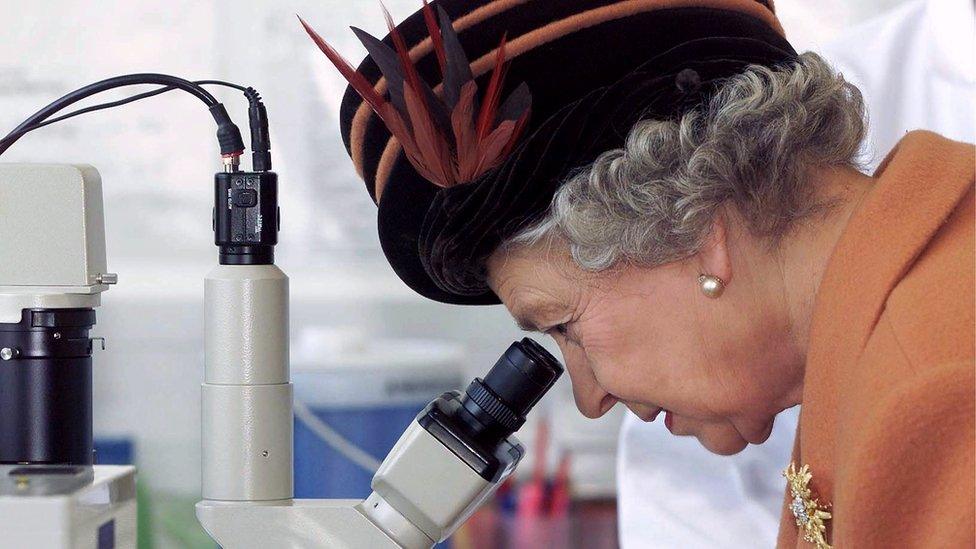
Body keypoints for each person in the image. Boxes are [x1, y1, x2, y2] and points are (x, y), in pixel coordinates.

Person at [305, 0, 975, 546]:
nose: (592, 398)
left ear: (700, 222)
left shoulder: (935, 394)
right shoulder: (880, 333)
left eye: (565, 324)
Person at [615, 0, 976, 545]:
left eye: (562, 322)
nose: (588, 395)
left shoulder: (928, 380)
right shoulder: (836, 87)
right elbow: (690, 487)